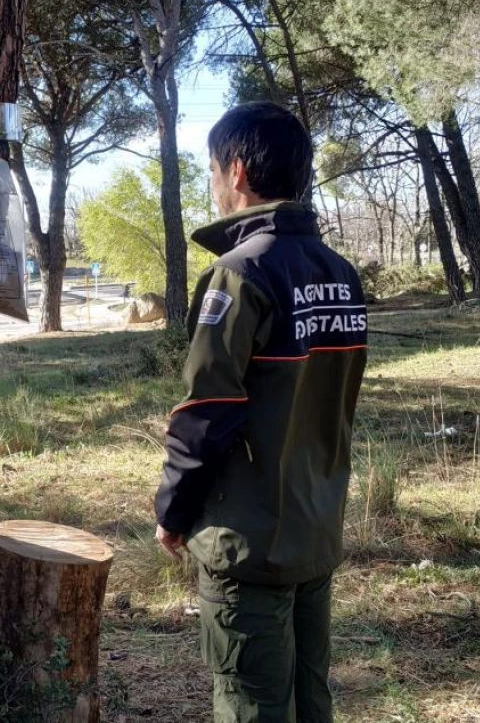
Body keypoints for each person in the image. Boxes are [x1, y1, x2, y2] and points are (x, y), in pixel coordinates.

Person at [154, 101, 367, 723]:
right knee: (308, 700)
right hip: (314, 528)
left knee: (252, 704)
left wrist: (173, 511)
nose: (214, 185)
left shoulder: (240, 273)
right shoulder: (340, 273)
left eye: (213, 170)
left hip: (247, 542)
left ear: (238, 171)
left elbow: (207, 410)